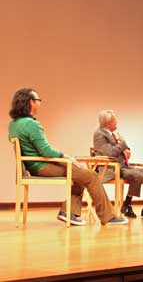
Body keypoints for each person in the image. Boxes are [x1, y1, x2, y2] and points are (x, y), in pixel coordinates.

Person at [8, 88, 127, 225]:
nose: (40, 103)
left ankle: (68, 212)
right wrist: (67, 157)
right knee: (92, 176)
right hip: (41, 166)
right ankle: (108, 217)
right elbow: (45, 151)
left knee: (81, 175)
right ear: (31, 102)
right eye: (38, 100)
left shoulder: (14, 124)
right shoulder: (31, 124)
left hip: (33, 165)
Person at [93, 110, 143, 218]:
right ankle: (127, 204)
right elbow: (110, 152)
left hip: (123, 166)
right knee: (138, 175)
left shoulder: (113, 134)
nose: (117, 122)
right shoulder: (99, 134)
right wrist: (122, 144)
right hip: (112, 168)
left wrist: (126, 150)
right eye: (114, 120)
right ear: (108, 123)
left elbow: (120, 148)